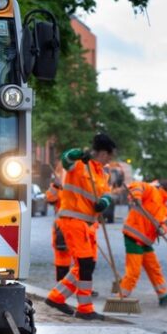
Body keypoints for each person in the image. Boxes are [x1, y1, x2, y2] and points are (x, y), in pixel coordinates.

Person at [44, 133, 116, 320]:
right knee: (84, 264)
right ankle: (84, 308)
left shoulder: (102, 172)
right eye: (109, 155)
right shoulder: (79, 165)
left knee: (87, 265)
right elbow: (66, 159)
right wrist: (76, 153)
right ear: (102, 153)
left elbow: (106, 193)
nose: (110, 159)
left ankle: (58, 297)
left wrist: (105, 202)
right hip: (73, 221)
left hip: (88, 224)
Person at [120, 178, 167, 306]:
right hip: (133, 236)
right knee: (133, 272)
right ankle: (121, 298)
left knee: (154, 268)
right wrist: (137, 197)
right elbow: (137, 185)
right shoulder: (152, 190)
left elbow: (163, 223)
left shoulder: (164, 206)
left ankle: (164, 296)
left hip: (146, 241)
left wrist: (162, 229)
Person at [45, 165, 72, 282]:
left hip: (78, 225)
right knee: (62, 257)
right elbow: (50, 198)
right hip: (62, 226)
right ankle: (62, 284)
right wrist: (56, 185)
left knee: (82, 259)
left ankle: (79, 287)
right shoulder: (58, 187)